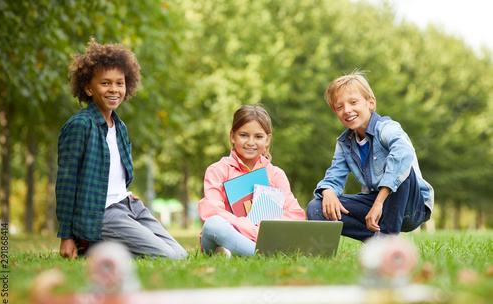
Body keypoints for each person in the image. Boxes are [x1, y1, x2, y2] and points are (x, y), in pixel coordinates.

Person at [56, 38, 187, 260]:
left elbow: (116, 172)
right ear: (88, 88)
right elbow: (66, 184)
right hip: (103, 213)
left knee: (180, 254)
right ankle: (93, 245)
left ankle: (102, 248)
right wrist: (66, 236)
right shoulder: (80, 125)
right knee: (168, 257)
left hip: (130, 205)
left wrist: (123, 192)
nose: (114, 89)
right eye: (105, 83)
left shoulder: (120, 127)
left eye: (120, 83)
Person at [306, 70, 434, 241]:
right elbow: (334, 175)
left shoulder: (387, 128)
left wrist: (379, 203)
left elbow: (403, 154)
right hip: (375, 202)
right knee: (316, 207)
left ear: (370, 103)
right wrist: (328, 190)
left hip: (411, 207)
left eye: (353, 102)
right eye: (339, 106)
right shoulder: (345, 143)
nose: (347, 110)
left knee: (400, 166)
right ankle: (378, 241)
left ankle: (388, 238)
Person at [198, 105, 305, 257]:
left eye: (258, 137)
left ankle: (237, 253)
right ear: (232, 136)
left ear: (268, 140)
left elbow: (295, 214)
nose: (250, 142)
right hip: (224, 235)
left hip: (264, 238)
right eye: (243, 135)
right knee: (213, 224)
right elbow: (211, 211)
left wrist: (267, 229)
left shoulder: (275, 174)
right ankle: (266, 255)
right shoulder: (217, 170)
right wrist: (250, 229)